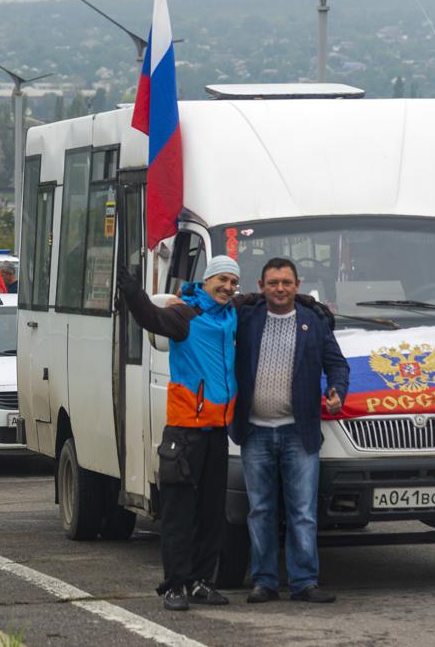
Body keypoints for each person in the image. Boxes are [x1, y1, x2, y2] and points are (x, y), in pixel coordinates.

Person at [117, 255, 242, 612]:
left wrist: (311, 302)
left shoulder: (232, 314)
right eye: (222, 280)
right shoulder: (185, 315)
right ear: (207, 280)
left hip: (217, 432)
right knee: (178, 514)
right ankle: (174, 586)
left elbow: (268, 299)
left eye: (233, 283)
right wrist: (133, 292)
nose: (228, 288)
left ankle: (201, 581)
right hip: (184, 434)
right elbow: (150, 319)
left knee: (211, 514)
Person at [230, 257, 349, 605]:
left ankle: (304, 582)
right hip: (255, 433)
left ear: (297, 285)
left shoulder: (313, 322)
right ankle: (264, 582)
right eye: (272, 283)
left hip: (300, 433)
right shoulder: (247, 320)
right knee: (261, 511)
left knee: (303, 512)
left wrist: (337, 391)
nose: (279, 288)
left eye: (285, 282)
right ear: (262, 286)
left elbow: (337, 364)